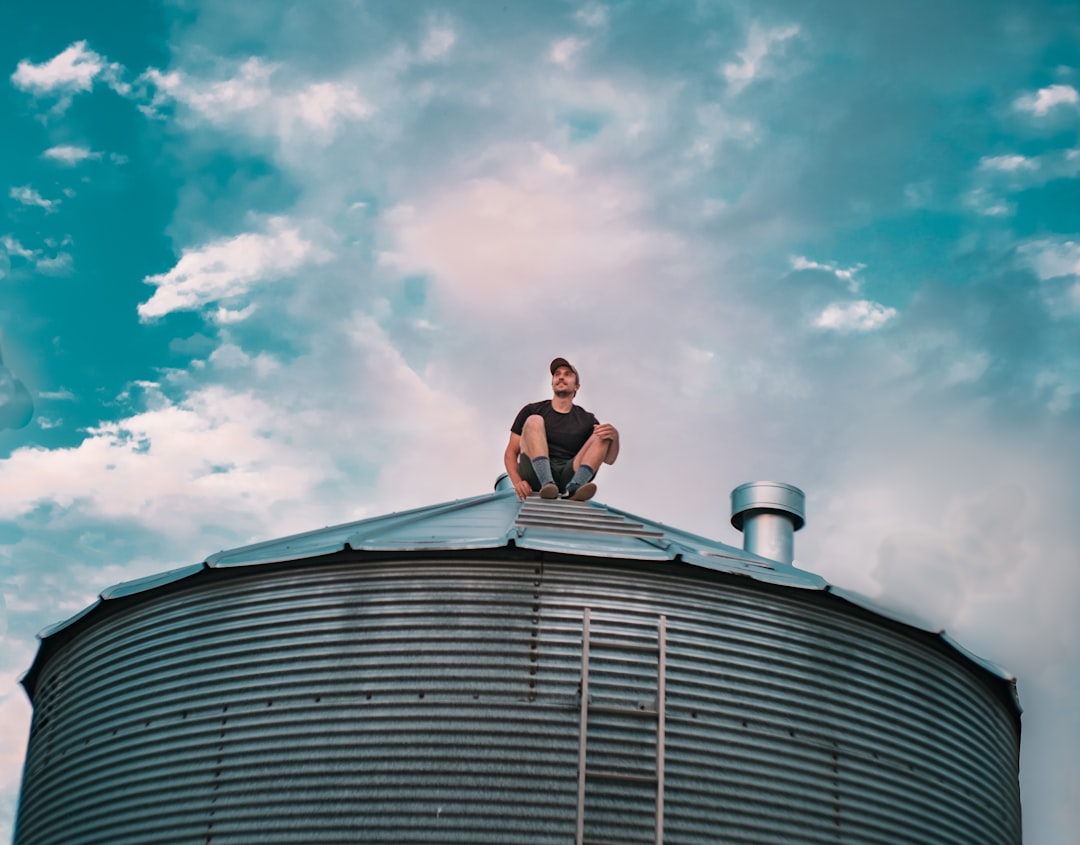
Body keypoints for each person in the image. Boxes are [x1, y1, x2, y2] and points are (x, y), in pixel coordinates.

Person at [504, 357, 620, 501]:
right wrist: (518, 482)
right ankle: (547, 483)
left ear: (576, 386)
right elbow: (510, 452)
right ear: (552, 384)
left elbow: (609, 459)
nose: (561, 377)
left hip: (568, 474)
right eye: (557, 374)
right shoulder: (532, 409)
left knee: (602, 433)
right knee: (535, 420)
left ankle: (575, 488)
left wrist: (614, 437)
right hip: (534, 473)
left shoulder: (587, 419)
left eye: (567, 374)